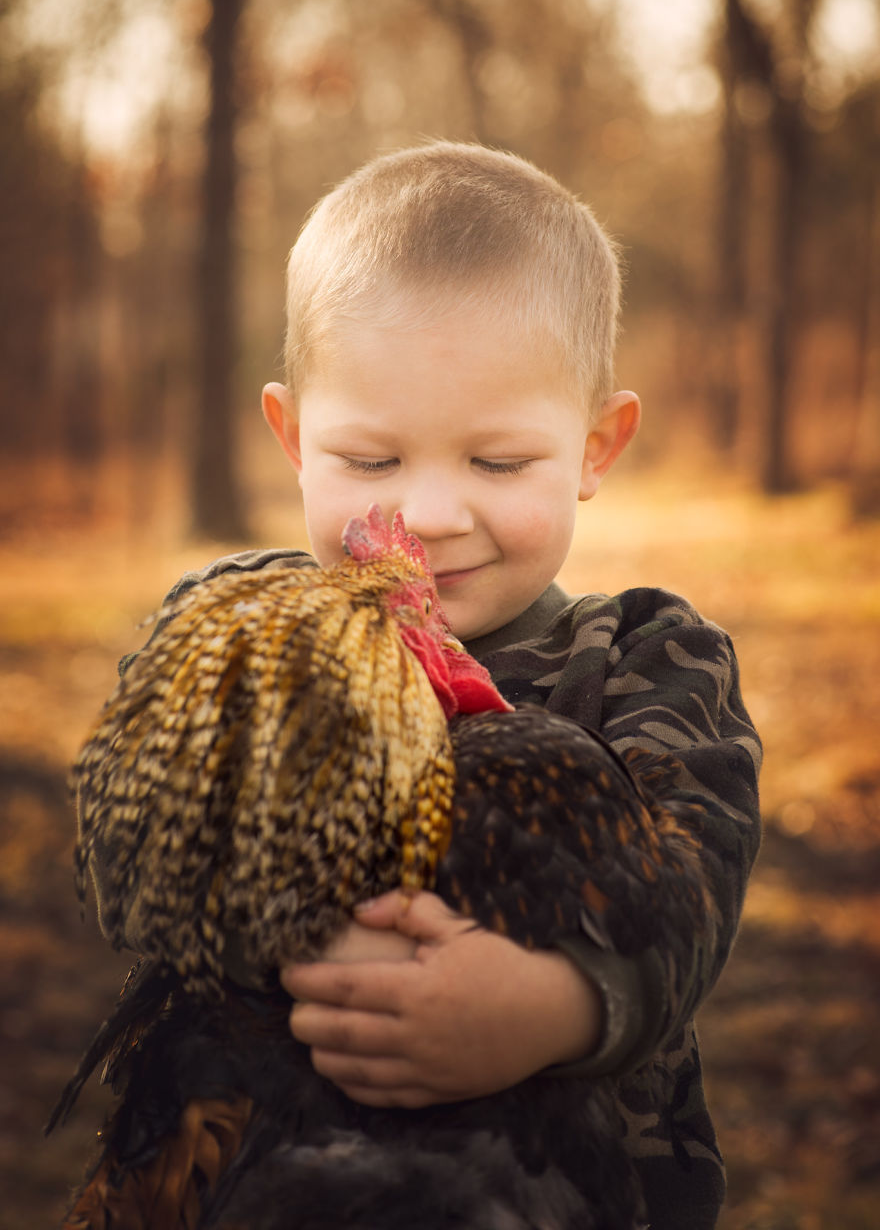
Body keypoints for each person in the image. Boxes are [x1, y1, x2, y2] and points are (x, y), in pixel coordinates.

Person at [121, 141, 762, 1227]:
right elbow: (146, 851)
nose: (424, 514)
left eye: (496, 463)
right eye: (370, 461)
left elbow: (693, 890)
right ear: (290, 438)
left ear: (597, 446)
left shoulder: (649, 658)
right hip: (262, 1172)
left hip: (584, 1190)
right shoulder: (242, 633)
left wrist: (557, 1009)